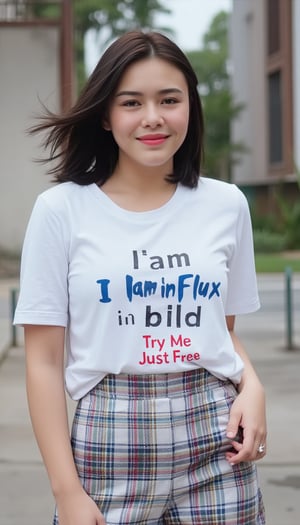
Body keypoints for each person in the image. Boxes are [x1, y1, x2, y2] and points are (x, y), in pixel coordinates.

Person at [14, 30, 266, 525]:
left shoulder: (226, 204)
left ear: (189, 107)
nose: (153, 117)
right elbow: (42, 362)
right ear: (106, 116)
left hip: (215, 437)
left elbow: (222, 331)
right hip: (110, 440)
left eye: (169, 99)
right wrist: (66, 492)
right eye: (132, 102)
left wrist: (252, 385)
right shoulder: (60, 210)